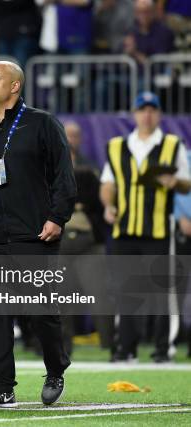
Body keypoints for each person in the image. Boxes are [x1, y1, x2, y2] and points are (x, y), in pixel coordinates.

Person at [0, 61, 76, 408]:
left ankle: (55, 368)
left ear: (16, 85)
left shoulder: (43, 124)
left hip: (34, 234)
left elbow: (64, 177)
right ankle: (1, 387)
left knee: (41, 312)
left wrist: (57, 217)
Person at [100, 91, 191, 363]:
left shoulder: (172, 145)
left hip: (159, 229)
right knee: (125, 291)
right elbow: (108, 183)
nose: (147, 114)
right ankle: (125, 349)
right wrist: (109, 205)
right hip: (125, 229)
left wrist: (175, 183)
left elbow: (187, 182)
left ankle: (164, 349)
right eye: (143, 110)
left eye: (152, 109)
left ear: (159, 114)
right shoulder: (117, 146)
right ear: (135, 113)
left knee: (164, 292)